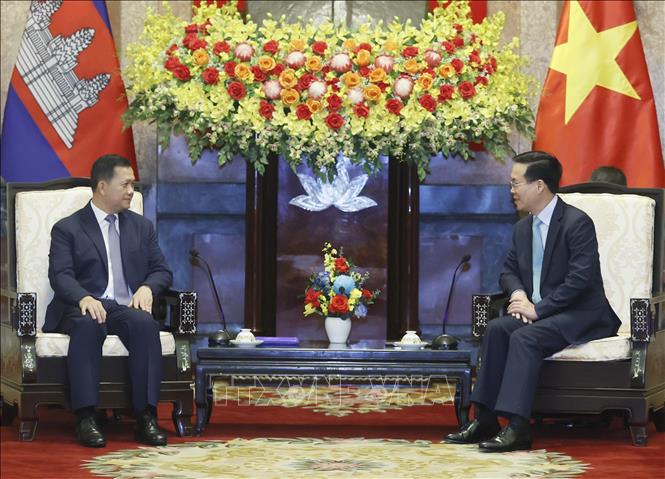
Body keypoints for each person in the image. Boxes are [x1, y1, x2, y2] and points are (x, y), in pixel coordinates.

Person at [445, 151, 620, 452]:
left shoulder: (577, 223)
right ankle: (485, 418)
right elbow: (509, 270)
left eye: (515, 183)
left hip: (580, 312)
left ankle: (517, 426)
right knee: (498, 329)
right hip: (540, 311)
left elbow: (580, 281)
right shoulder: (523, 227)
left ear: (539, 185)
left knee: (526, 338)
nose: (511, 190)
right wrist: (518, 295)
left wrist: (538, 309)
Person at [44, 154, 173, 448]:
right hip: (82, 307)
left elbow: (162, 270)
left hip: (124, 307)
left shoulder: (141, 227)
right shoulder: (68, 228)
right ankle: (86, 417)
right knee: (89, 324)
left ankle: (146, 417)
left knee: (145, 324)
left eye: (132, 184)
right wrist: (83, 297)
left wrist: (148, 288)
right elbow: (60, 276)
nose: (131, 190)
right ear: (103, 186)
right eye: (125, 184)